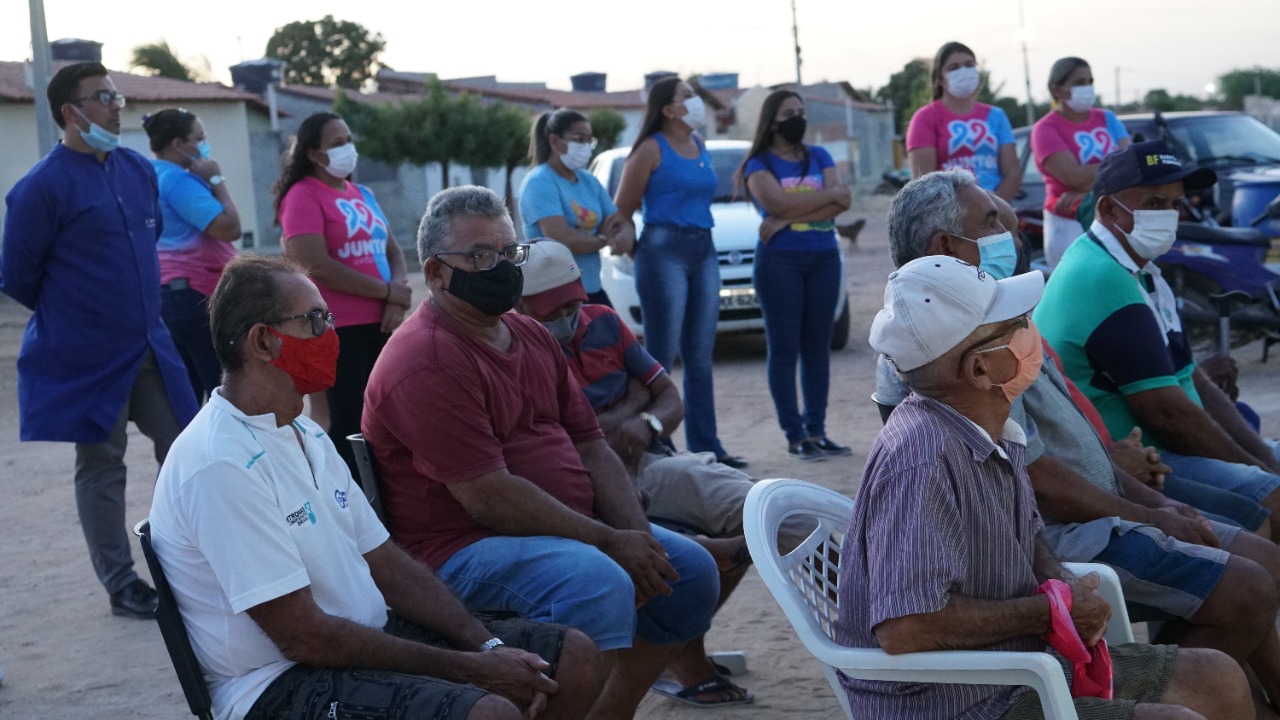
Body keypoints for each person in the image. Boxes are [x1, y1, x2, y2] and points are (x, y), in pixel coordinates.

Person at [883, 170, 1280, 713]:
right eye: (992, 220)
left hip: (1067, 548)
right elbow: (905, 626)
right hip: (1008, 647)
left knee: (1227, 648)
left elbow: (1024, 504)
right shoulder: (941, 399)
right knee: (1246, 586)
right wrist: (1054, 606)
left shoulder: (978, 357)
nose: (1012, 229)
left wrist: (1144, 517)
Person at [149, 254, 602, 720]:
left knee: (574, 660)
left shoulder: (302, 433)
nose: (332, 333)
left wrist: (483, 644)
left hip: (356, 640)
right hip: (276, 683)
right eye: (315, 321)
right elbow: (303, 636)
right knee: (490, 713)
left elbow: (385, 561)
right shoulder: (219, 463)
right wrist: (472, 669)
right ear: (264, 342)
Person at [362, 186, 721, 720]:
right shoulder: (428, 359)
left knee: (687, 572)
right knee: (597, 582)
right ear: (436, 273)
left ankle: (606, 709)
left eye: (510, 252)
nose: (503, 267)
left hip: (559, 528)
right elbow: (489, 497)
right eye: (482, 256)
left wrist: (638, 539)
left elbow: (591, 444)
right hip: (459, 547)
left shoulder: (527, 333)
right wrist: (607, 541)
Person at [517, 240, 822, 706]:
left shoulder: (603, 322)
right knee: (703, 557)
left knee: (780, 513)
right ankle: (679, 657)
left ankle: (870, 625)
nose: (566, 316)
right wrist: (635, 405)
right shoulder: (515, 351)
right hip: (583, 485)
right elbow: (574, 441)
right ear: (519, 307)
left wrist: (646, 419)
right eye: (551, 310)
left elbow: (669, 399)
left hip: (652, 464)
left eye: (573, 303)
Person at [1, 62, 199, 619]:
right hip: (88, 357)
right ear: (70, 111)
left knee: (186, 451)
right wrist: (80, 315)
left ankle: (191, 564)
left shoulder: (137, 169)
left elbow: (150, 240)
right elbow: (17, 275)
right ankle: (122, 583)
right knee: (101, 466)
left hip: (153, 347)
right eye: (103, 96)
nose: (116, 104)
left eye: (116, 94)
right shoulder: (40, 188)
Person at [1036, 141, 1280, 525]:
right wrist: (1261, 471)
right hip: (1136, 461)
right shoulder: (1102, 275)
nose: (1169, 214)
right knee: (1271, 499)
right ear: (1108, 209)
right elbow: (1168, 414)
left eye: (1173, 203)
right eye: (1154, 203)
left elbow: (1189, 375)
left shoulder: (1144, 272)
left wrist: (1263, 459)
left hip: (1159, 449)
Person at [611, 76, 746, 468]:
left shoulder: (699, 144)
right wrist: (639, 251)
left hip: (703, 248)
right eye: (687, 96)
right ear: (669, 109)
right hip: (663, 250)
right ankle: (655, 441)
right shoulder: (650, 149)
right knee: (660, 356)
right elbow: (621, 212)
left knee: (701, 356)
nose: (695, 101)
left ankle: (707, 446)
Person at [274, 111, 412, 478]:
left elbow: (393, 250)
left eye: (348, 140)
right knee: (349, 422)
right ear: (314, 154)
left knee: (388, 418)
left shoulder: (361, 193)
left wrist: (395, 295)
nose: (347, 149)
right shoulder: (302, 196)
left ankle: (387, 500)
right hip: (335, 328)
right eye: (337, 144)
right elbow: (314, 263)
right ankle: (345, 500)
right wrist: (387, 291)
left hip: (381, 324)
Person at [737, 89, 853, 461]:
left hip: (823, 258)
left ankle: (817, 430)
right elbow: (782, 201)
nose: (797, 118)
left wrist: (785, 217)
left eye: (801, 111)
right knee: (785, 348)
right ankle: (795, 434)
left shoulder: (819, 155)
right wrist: (819, 202)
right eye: (789, 112)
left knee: (817, 347)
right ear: (771, 121)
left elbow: (845, 200)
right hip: (779, 263)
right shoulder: (758, 164)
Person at [144, 107, 242, 402]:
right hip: (196, 295)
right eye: (198, 138)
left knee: (185, 396)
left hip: (171, 295)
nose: (204, 144)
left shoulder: (152, 174)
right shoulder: (178, 181)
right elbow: (229, 227)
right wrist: (216, 180)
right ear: (177, 144)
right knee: (225, 392)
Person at [518, 108, 632, 305]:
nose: (587, 146)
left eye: (590, 140)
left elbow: (618, 221)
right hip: (555, 293)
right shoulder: (539, 182)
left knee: (614, 335)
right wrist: (605, 239)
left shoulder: (589, 181)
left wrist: (623, 235)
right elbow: (562, 239)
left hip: (591, 288)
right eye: (579, 139)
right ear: (554, 141)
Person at [1032, 57, 1132, 268]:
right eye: (1079, 82)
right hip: (1069, 224)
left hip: (1113, 218)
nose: (1086, 87)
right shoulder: (1046, 128)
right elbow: (1073, 177)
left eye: (1089, 81)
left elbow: (1131, 166)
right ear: (1057, 90)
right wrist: (1115, 166)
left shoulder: (1107, 118)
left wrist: (1088, 193)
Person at [907, 41, 1021, 202]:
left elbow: (1012, 173)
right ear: (940, 78)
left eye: (969, 65)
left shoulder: (997, 115)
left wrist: (992, 211)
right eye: (954, 68)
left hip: (996, 210)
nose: (964, 71)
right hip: (949, 213)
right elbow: (923, 182)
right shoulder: (925, 118)